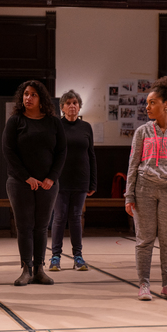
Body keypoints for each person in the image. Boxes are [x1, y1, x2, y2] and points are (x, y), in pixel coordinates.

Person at [125, 76, 167, 301]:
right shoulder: (143, 132)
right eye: (147, 103)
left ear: (166, 104)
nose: (147, 107)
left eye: (152, 102)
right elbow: (133, 164)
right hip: (144, 190)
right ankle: (144, 285)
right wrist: (129, 195)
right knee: (144, 240)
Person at [2, 80, 67, 286]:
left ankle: (39, 269)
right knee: (24, 226)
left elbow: (61, 152)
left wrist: (51, 177)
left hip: (47, 183)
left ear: (41, 99)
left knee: (41, 227)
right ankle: (26, 269)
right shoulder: (15, 121)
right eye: (26, 94)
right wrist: (26, 177)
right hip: (20, 182)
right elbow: (8, 151)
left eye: (33, 95)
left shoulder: (54, 122)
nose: (28, 98)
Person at [49, 90, 97, 272]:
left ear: (79, 106)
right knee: (60, 217)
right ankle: (55, 257)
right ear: (62, 107)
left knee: (76, 218)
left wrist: (93, 182)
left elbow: (91, 155)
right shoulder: (56, 126)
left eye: (75, 103)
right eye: (68, 103)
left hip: (81, 179)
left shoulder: (86, 127)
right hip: (60, 180)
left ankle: (78, 257)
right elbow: (51, 155)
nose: (72, 106)